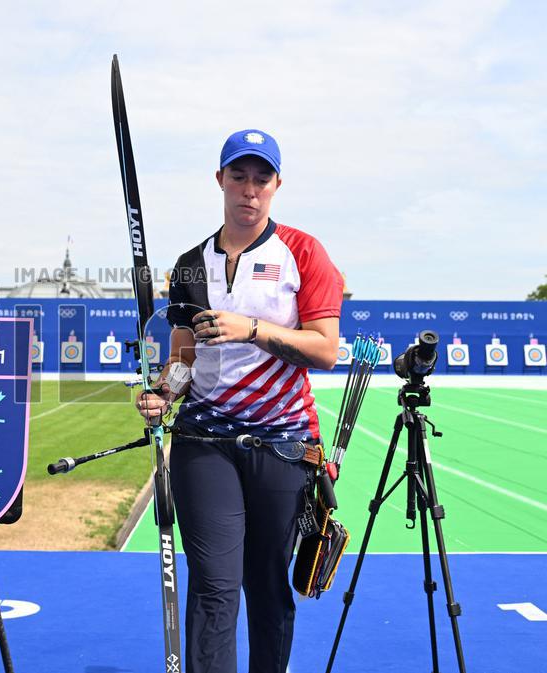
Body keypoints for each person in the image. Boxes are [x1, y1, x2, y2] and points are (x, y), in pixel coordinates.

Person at [136, 130, 343, 673]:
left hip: (283, 443)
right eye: (239, 175)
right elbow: (182, 357)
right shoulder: (188, 264)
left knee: (268, 585)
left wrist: (252, 328)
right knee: (213, 587)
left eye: (261, 178)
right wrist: (163, 392)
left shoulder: (303, 252)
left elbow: (324, 350)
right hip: (204, 442)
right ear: (220, 180)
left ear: (277, 185)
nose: (250, 189)